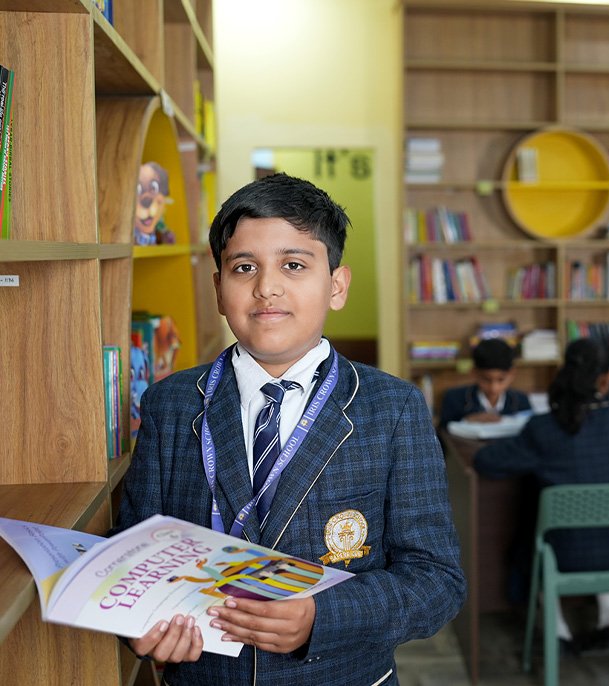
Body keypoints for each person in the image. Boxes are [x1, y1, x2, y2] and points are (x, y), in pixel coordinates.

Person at [112, 173, 466, 686]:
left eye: (294, 265)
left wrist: (323, 617)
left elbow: (437, 581)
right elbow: (133, 556)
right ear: (218, 289)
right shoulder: (169, 405)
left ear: (336, 286)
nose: (266, 287)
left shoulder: (393, 409)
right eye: (244, 267)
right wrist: (137, 626)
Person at [473, 338, 609, 653]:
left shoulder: (545, 428)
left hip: (563, 555)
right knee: (601, 517)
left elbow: (487, 462)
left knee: (532, 534)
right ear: (606, 380)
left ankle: (559, 633)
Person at [438, 337, 531, 429]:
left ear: (512, 374)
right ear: (474, 373)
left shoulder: (521, 401)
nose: (494, 388)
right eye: (486, 379)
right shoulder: (454, 399)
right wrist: (466, 420)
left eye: (501, 379)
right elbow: (442, 432)